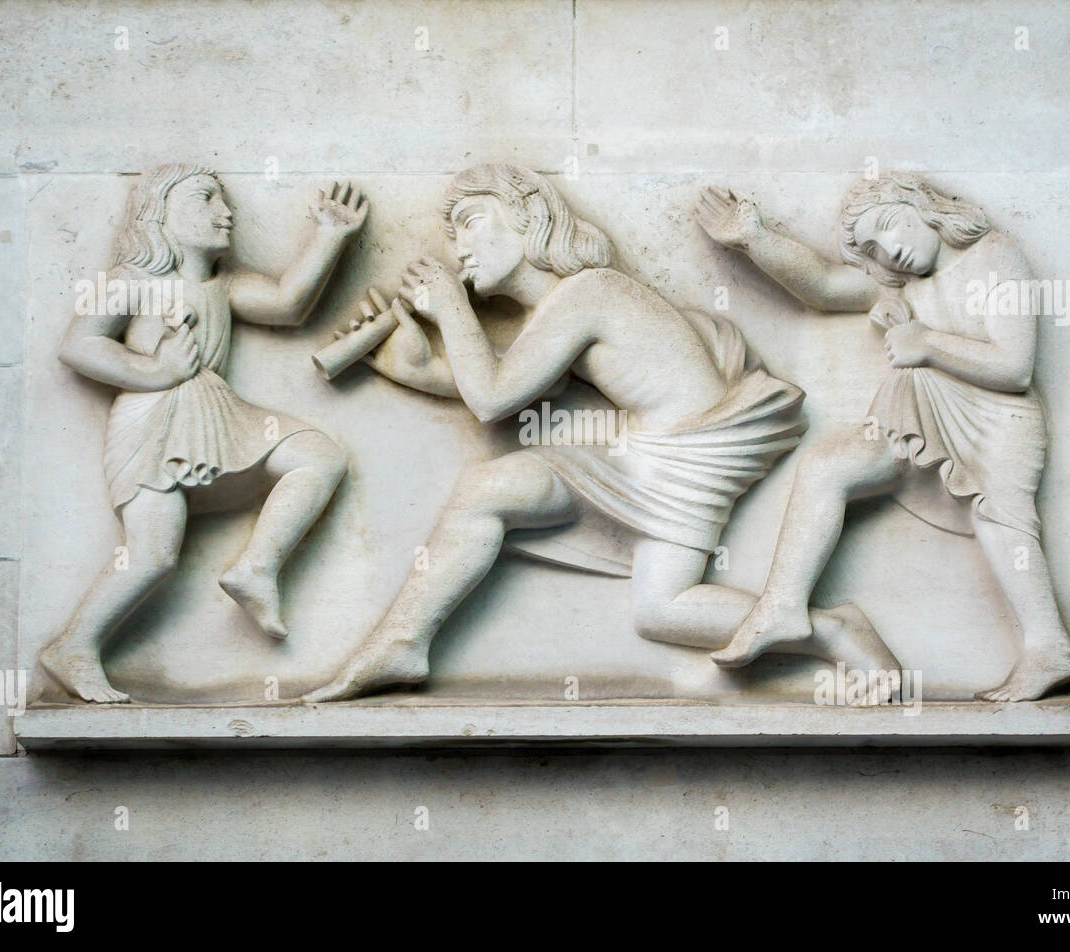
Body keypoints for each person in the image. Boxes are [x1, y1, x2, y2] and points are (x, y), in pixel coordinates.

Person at [304, 163, 897, 703]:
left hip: (683, 454)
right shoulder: (565, 309)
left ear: (529, 216)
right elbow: (516, 386)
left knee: (491, 487)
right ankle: (834, 629)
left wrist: (449, 306)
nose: (456, 246)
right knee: (661, 612)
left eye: (468, 221)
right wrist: (403, 366)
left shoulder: (590, 291)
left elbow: (490, 398)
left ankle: (403, 641)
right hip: (672, 456)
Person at [694, 173, 1070, 701]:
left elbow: (1014, 367)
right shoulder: (902, 286)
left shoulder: (996, 254)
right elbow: (825, 287)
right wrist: (754, 238)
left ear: (927, 209)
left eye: (892, 226)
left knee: (1002, 521)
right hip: (920, 414)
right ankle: (783, 605)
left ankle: (1051, 646)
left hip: (996, 420)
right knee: (829, 466)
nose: (891, 252)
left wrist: (924, 341)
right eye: (874, 248)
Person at [40, 165, 366, 702]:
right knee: (153, 554)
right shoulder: (132, 280)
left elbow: (288, 303)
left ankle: (257, 568)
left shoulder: (226, 286)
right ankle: (73, 646)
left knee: (319, 456)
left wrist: (329, 236)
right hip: (153, 421)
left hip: (218, 412)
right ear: (159, 214)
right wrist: (156, 371)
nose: (225, 211)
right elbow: (79, 345)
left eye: (224, 199)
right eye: (205, 198)